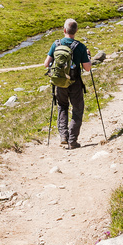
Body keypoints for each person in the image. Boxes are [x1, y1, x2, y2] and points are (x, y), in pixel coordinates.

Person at [44, 18, 92, 149]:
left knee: (62, 107)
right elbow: (87, 68)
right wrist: (88, 57)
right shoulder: (80, 46)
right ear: (76, 31)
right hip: (75, 82)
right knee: (77, 110)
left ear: (64, 30)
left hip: (59, 83)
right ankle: (72, 141)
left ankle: (63, 136)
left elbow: (46, 63)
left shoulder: (56, 44)